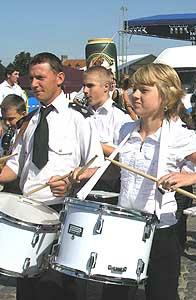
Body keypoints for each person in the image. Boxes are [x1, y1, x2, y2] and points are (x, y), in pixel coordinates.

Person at [101, 63, 196, 300]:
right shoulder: (125, 130)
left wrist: (194, 176)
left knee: (161, 294)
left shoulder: (180, 135)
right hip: (124, 226)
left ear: (165, 95)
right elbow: (119, 173)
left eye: (143, 90)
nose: (134, 95)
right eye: (134, 89)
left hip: (161, 230)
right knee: (115, 295)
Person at [0, 52, 104, 300]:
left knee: (56, 289)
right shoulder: (29, 121)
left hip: (61, 214)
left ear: (59, 78)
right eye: (32, 78)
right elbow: (15, 167)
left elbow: (97, 166)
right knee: (27, 290)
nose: (34, 84)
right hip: (27, 215)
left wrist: (72, 182)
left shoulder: (79, 118)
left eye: (40, 78)